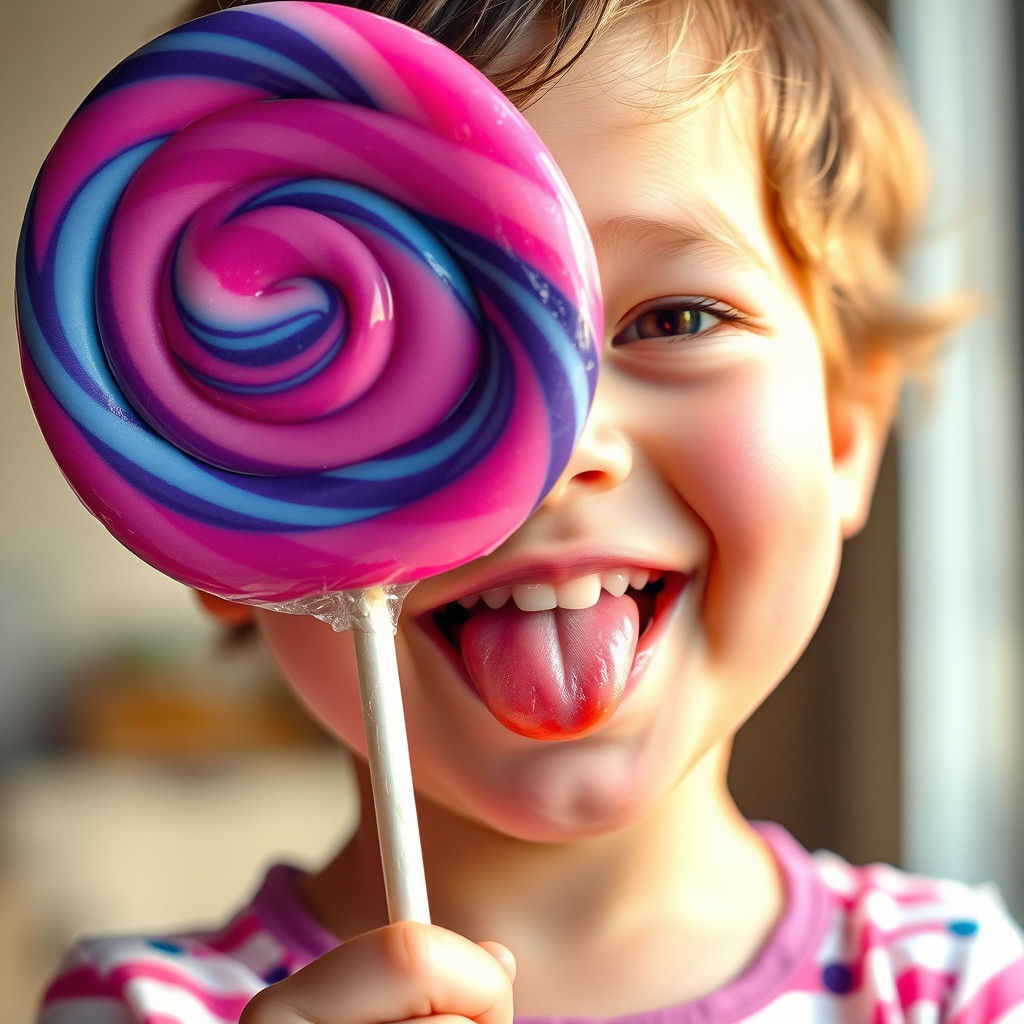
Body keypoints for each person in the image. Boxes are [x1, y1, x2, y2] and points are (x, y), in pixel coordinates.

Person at [37, 0, 1024, 1022]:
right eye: (442, 353)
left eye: (672, 320)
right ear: (204, 502)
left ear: (847, 427)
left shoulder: (948, 986)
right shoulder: (131, 1007)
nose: (554, 454)